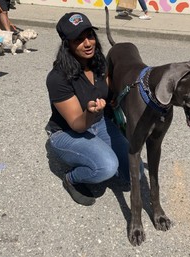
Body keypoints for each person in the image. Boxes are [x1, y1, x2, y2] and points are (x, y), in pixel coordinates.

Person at [46, 12, 139, 206]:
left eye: (90, 35)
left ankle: (97, 156)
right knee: (106, 166)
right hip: (68, 132)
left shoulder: (99, 63)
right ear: (67, 45)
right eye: (79, 39)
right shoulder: (57, 78)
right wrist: (91, 112)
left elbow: (110, 91)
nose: (88, 43)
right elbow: (77, 125)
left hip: (100, 123)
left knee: (134, 173)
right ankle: (71, 178)